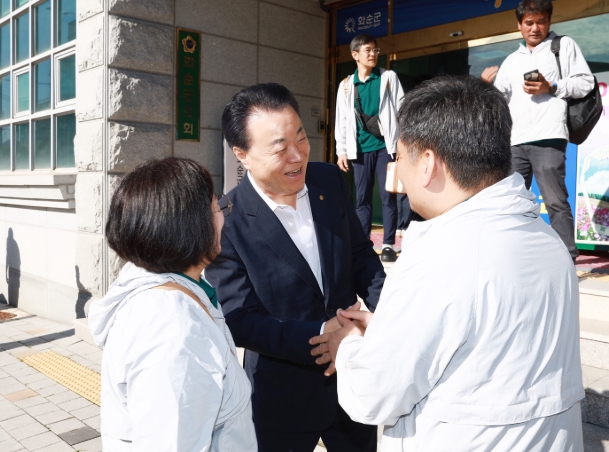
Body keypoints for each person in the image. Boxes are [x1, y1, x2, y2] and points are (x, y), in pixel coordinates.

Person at [311, 76, 584, 451]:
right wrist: (389, 330)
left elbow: (372, 394)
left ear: (427, 163)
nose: (398, 172)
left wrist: (348, 345)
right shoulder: (546, 238)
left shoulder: (441, 256)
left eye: (399, 157)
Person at [205, 83, 385, 452]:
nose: (297, 155)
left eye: (300, 138)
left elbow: (361, 256)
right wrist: (322, 334)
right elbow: (240, 319)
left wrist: (389, 316)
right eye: (279, 147)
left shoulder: (329, 180)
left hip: (350, 380)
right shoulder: (228, 222)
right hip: (282, 398)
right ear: (242, 154)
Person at [87, 158, 256, 451]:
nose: (222, 219)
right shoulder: (174, 330)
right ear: (189, 226)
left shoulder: (164, 287)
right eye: (216, 208)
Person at [481, 0, 594, 261]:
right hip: (515, 141)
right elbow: (499, 100)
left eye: (541, 21)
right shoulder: (511, 60)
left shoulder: (563, 46)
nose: (535, 28)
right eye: (529, 23)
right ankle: (515, 256)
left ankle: (567, 258)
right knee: (512, 202)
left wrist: (551, 87)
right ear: (519, 25)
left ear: (549, 22)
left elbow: (586, 83)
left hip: (549, 137)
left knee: (555, 200)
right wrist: (485, 88)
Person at [335, 34, 405, 262]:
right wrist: (341, 150)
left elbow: (402, 110)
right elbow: (342, 119)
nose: (373, 54)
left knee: (387, 196)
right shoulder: (346, 85)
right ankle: (363, 243)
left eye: (375, 50)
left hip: (386, 146)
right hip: (359, 149)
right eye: (368, 50)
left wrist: (402, 144)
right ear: (355, 55)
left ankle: (388, 245)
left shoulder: (388, 78)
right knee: (362, 199)